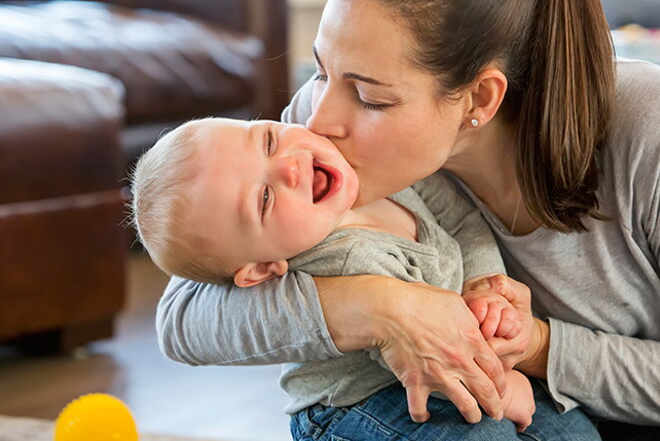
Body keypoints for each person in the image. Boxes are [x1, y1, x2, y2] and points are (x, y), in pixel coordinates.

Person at [156, 0, 660, 439]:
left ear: (479, 99)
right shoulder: (308, 142)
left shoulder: (646, 129)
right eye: (320, 70)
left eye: (370, 98)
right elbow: (184, 316)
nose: (318, 120)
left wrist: (538, 346)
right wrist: (382, 307)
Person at [131, 117, 542, 433]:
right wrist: (503, 387)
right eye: (265, 198)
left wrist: (484, 283)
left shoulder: (377, 171)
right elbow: (430, 359)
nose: (289, 168)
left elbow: (459, 217)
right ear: (260, 269)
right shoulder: (345, 259)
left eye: (269, 140)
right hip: (363, 408)